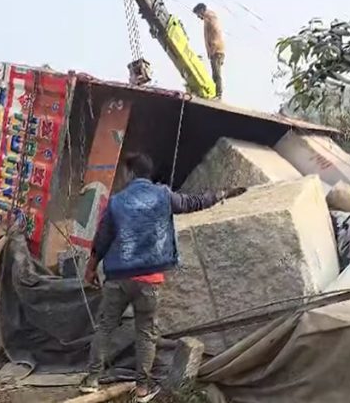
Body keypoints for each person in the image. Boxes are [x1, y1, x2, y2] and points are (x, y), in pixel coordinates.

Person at [79, 153, 246, 402]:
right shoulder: (164, 195)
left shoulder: (116, 202)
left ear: (131, 173)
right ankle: (142, 388)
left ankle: (91, 380)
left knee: (105, 327)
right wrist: (221, 194)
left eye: (125, 173)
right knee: (146, 333)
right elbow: (193, 202)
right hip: (150, 279)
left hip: (118, 277)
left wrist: (91, 268)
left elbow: (102, 239)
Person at [193, 3, 225, 100]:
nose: (198, 17)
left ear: (202, 10)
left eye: (198, 14)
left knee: (217, 74)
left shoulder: (210, 18)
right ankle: (216, 94)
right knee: (215, 73)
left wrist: (213, 48)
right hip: (216, 49)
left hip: (216, 50)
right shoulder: (209, 18)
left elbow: (215, 33)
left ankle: (218, 95)